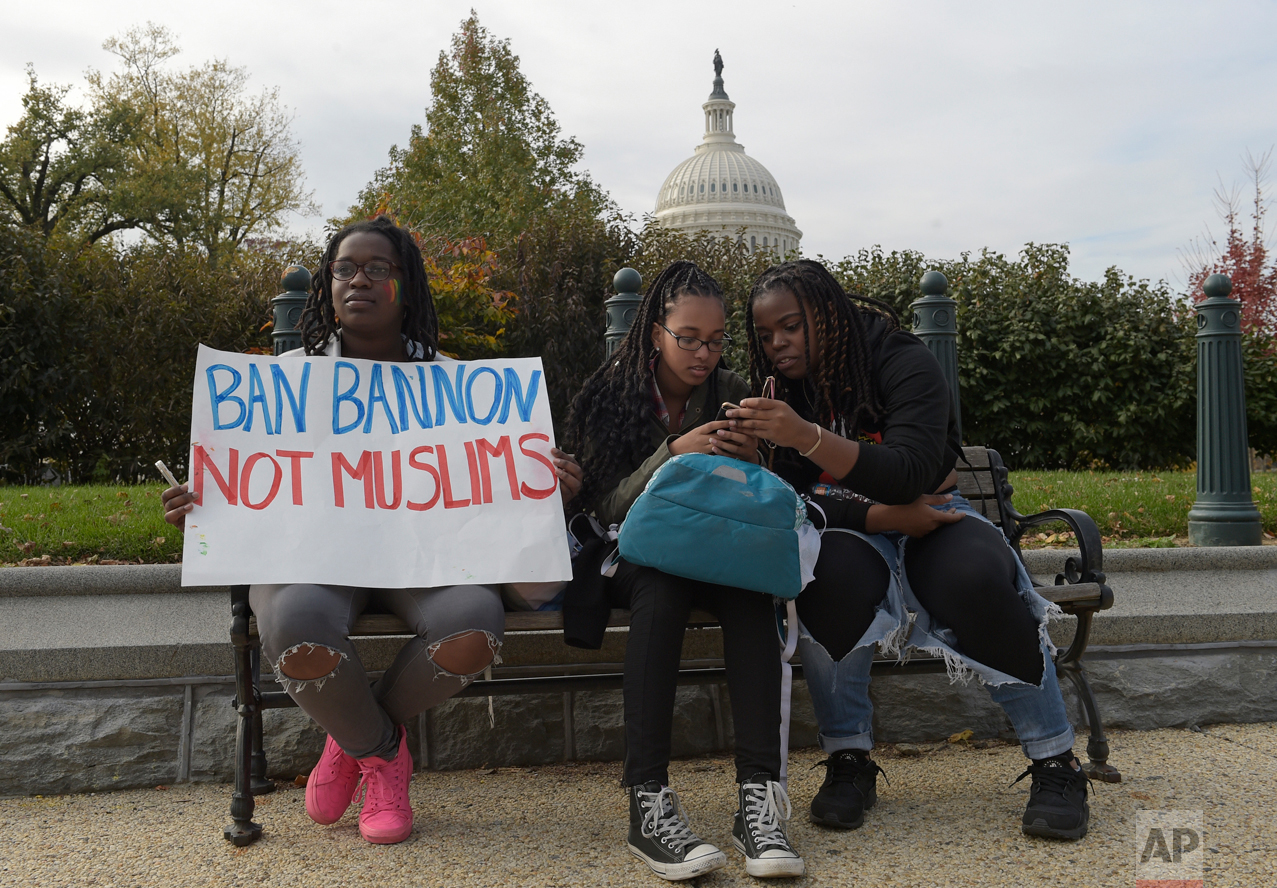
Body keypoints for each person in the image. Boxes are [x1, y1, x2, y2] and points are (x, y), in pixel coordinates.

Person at [161, 215, 582, 845]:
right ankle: (382, 754)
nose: (360, 280)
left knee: (473, 625)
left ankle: (349, 737)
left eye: (378, 269)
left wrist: (548, 487)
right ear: (328, 284)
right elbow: (253, 478)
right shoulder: (283, 385)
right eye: (346, 268)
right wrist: (205, 501)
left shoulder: (459, 387)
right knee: (295, 625)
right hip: (315, 562)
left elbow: (492, 487)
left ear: (404, 284)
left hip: (425, 563)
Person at [728, 259, 1090, 841]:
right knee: (821, 573)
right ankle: (849, 759)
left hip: (938, 511)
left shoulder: (902, 361)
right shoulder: (779, 390)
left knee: (971, 576)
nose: (777, 344)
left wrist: (806, 436)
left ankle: (1057, 761)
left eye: (791, 327)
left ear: (826, 315)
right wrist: (880, 514)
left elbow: (912, 470)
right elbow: (793, 495)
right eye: (766, 334)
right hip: (857, 522)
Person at [564, 260, 805, 880]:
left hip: (719, 543)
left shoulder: (733, 388)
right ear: (654, 334)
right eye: (688, 338)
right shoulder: (608, 395)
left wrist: (751, 461)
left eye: (716, 339)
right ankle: (648, 802)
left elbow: (759, 496)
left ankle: (758, 802)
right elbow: (602, 505)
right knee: (663, 591)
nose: (704, 353)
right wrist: (673, 454)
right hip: (634, 553)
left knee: (752, 593)